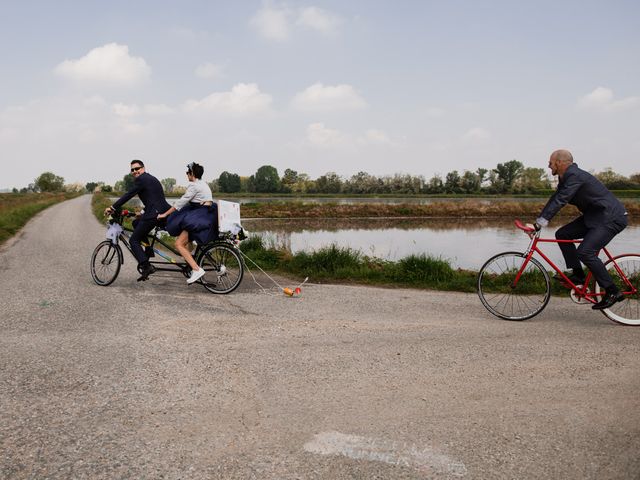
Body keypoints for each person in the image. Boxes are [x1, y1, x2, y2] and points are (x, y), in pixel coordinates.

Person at [527, 149, 628, 310]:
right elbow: (555, 198)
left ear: (560, 163)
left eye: (550, 162)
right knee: (563, 234)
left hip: (610, 218)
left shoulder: (574, 176)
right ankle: (579, 275)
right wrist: (537, 222)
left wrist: (539, 223)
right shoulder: (565, 177)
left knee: (585, 252)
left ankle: (612, 291)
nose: (548, 165)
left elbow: (561, 199)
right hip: (595, 217)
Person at [105, 160, 171, 281]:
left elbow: (129, 195)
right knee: (136, 223)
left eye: (137, 168)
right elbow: (153, 198)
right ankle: (148, 250)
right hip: (161, 212)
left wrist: (112, 207)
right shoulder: (151, 178)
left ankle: (146, 266)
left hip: (154, 215)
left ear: (143, 168)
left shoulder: (141, 179)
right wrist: (141, 213)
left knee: (134, 240)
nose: (135, 171)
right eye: (132, 170)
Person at [157, 162, 216, 284]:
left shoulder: (194, 186)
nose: (186, 175)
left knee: (178, 244)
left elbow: (180, 203)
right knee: (187, 241)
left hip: (198, 217)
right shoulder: (204, 184)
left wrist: (165, 214)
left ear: (192, 174)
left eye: (187, 172)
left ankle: (196, 269)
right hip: (206, 215)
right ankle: (192, 262)